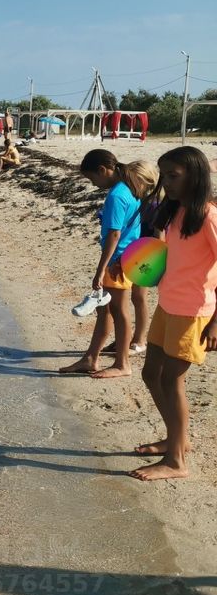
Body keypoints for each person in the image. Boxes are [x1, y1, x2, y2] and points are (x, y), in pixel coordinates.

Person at [131, 147, 217, 481]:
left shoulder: (208, 216)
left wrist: (215, 323)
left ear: (195, 176)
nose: (166, 182)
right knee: (150, 373)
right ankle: (176, 439)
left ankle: (176, 461)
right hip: (168, 305)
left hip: (193, 312)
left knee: (171, 379)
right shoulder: (176, 210)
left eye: (173, 176)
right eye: (164, 175)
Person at [59, 150, 144, 379]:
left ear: (102, 170)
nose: (93, 184)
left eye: (91, 178)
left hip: (118, 260)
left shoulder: (117, 195)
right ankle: (90, 358)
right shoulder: (129, 187)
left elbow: (115, 235)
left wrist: (100, 269)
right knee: (104, 309)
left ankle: (123, 364)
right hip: (126, 256)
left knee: (118, 310)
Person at [102, 161, 160, 357]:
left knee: (139, 296)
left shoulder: (155, 205)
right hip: (131, 251)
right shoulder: (133, 197)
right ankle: (123, 338)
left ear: (146, 181)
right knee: (124, 298)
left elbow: (159, 235)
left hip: (147, 253)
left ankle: (140, 339)